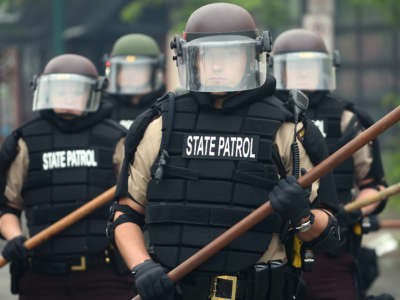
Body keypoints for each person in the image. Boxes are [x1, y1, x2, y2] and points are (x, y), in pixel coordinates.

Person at [107, 4, 340, 300]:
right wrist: (142, 267)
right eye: (206, 56)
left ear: (251, 57)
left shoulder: (289, 128)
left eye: (228, 56)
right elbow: (125, 212)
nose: (216, 66)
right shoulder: (158, 126)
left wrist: (302, 215)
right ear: (189, 58)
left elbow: (329, 233)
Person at [0, 54, 134, 300]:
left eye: (75, 92)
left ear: (92, 93)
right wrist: (15, 238)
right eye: (60, 91)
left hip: (104, 275)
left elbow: (135, 202)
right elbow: (7, 206)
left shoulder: (117, 139)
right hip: (41, 276)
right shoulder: (25, 142)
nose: (67, 98)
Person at [272, 28, 388, 300]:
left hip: (332, 249)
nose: (302, 75)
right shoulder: (267, 117)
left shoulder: (349, 120)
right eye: (294, 68)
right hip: (275, 249)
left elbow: (374, 185)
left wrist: (352, 211)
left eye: (309, 68)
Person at [104, 33, 166, 129]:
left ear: (156, 72)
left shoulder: (166, 109)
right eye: (125, 70)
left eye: (138, 70)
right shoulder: (103, 110)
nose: (131, 76)